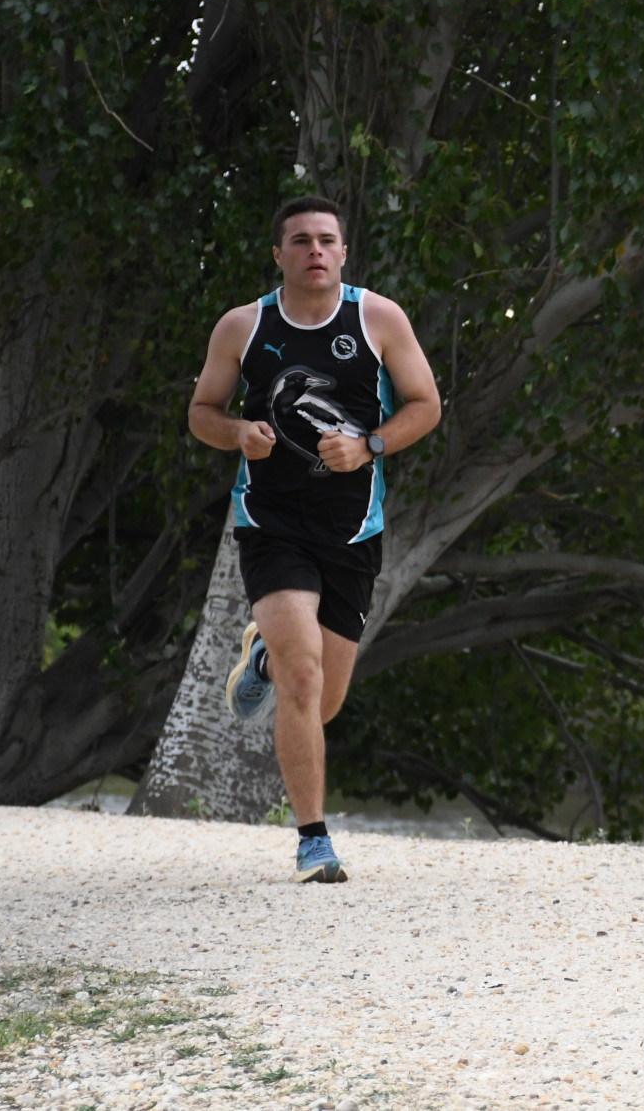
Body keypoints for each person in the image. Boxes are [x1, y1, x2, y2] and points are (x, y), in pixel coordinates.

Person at [189, 197, 441, 882]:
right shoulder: (243, 327)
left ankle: (263, 661)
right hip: (270, 521)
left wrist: (371, 445)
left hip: (353, 528)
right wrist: (238, 432)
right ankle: (313, 840)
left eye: (327, 240)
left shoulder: (378, 319)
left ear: (344, 252)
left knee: (322, 698)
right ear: (279, 255)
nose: (315, 252)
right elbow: (202, 413)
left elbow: (427, 404)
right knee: (305, 678)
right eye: (300, 241)